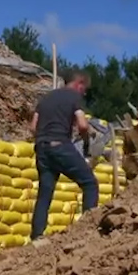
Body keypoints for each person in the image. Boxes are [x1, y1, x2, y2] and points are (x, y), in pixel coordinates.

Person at [29, 70, 99, 241]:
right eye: (85, 89)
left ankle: (36, 236)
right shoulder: (74, 98)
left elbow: (32, 127)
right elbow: (82, 125)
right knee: (90, 183)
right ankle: (87, 232)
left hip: (42, 149)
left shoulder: (46, 99)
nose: (84, 92)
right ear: (79, 83)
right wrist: (86, 137)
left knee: (45, 193)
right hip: (59, 145)